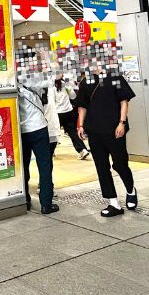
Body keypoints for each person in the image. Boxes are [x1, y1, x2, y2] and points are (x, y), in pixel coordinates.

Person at [76, 65, 137, 217]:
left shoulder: (115, 77)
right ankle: (113, 203)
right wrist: (81, 125)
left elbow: (124, 101)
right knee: (102, 167)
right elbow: (82, 106)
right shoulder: (85, 82)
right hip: (94, 131)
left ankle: (130, 190)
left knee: (120, 164)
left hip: (114, 130)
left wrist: (122, 123)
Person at [18, 65, 59, 215]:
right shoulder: (29, 77)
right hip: (38, 127)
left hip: (20, 130)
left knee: (23, 167)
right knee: (44, 165)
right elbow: (54, 77)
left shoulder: (10, 79)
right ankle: (46, 204)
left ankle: (25, 201)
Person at [53, 75, 89, 159]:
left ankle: (50, 151)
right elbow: (73, 96)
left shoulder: (51, 86)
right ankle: (82, 150)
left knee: (53, 133)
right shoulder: (66, 83)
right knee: (73, 133)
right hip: (68, 112)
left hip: (57, 113)